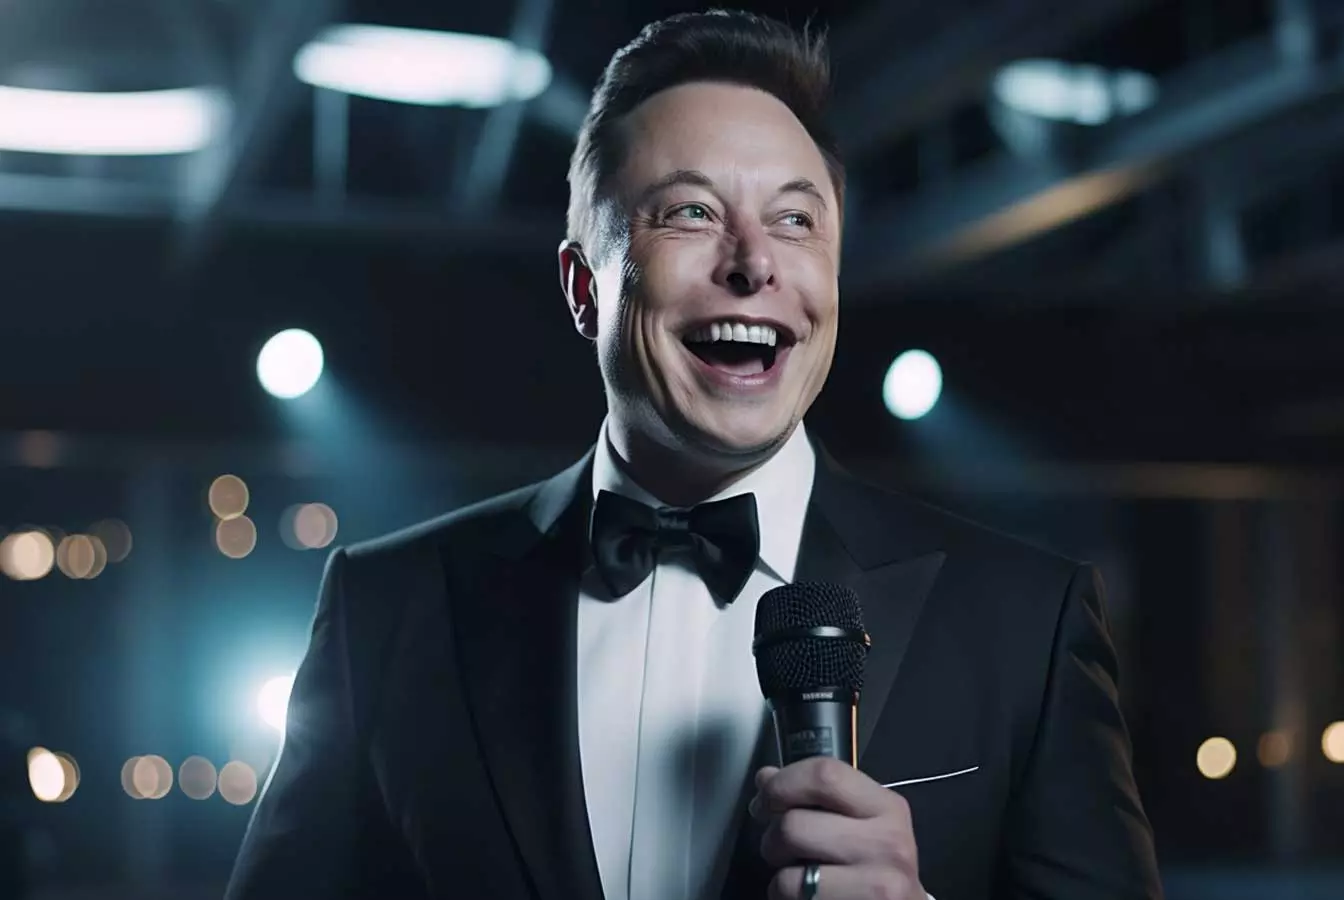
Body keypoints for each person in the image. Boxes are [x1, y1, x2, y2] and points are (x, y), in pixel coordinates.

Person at [224, 10, 1162, 900]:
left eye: (795, 221)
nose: (754, 262)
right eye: (690, 213)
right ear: (584, 287)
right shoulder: (388, 612)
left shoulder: (1025, 624)